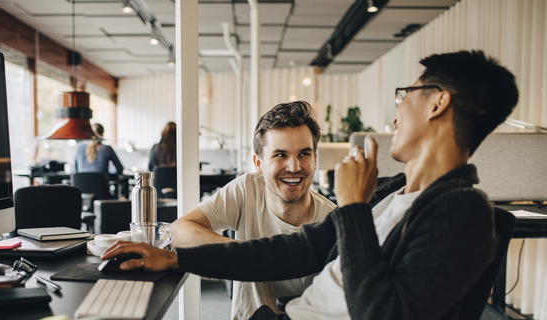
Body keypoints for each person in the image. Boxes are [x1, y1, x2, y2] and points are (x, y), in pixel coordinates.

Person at [102, 50, 519, 320]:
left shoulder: (464, 211)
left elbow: (384, 312)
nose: (396, 114)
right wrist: (176, 260)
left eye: (404, 95)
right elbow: (299, 249)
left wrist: (354, 207)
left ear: (437, 101)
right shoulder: (394, 190)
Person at [169, 102, 336, 319]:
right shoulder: (247, 190)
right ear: (259, 163)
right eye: (280, 155)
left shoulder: (333, 220)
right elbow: (180, 230)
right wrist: (248, 256)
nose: (294, 167)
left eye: (304, 154)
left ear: (315, 159)